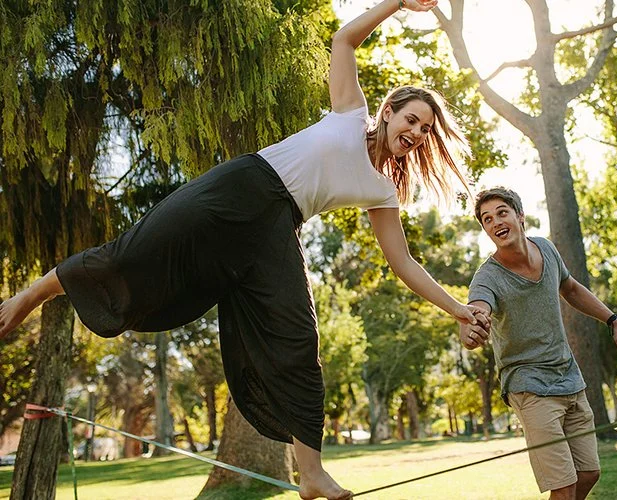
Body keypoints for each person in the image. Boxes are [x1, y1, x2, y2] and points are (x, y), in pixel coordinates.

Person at [0, 1, 488, 499]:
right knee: (133, 255)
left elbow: (403, 262)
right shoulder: (349, 112)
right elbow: (344, 40)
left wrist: (456, 310)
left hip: (277, 230)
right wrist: (398, 3)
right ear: (388, 112)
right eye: (411, 119)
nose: (417, 133)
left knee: (299, 339)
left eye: (426, 129)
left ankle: (311, 474)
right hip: (240, 187)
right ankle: (30, 296)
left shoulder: (384, 191)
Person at [460, 187, 617, 500]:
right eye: (487, 219)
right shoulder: (486, 277)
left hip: (569, 378)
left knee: (589, 473)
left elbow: (570, 287)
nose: (495, 222)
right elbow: (478, 308)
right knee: (564, 486)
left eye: (502, 212)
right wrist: (473, 325)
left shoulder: (546, 249)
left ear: (520, 216)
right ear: (485, 230)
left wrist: (614, 321)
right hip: (528, 385)